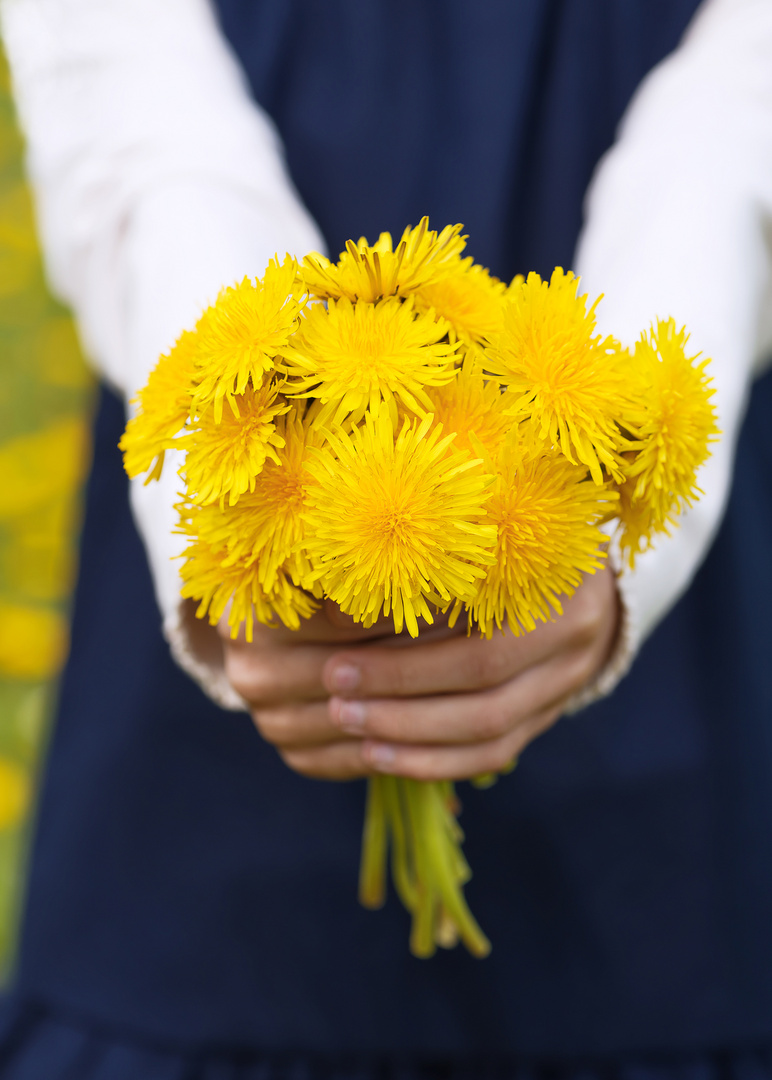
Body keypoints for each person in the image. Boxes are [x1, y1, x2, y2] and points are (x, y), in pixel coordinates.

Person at [0, 0, 771, 1075]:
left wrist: (622, 505)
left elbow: (739, 117)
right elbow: (124, 85)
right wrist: (246, 450)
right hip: (215, 361)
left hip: (663, 363)